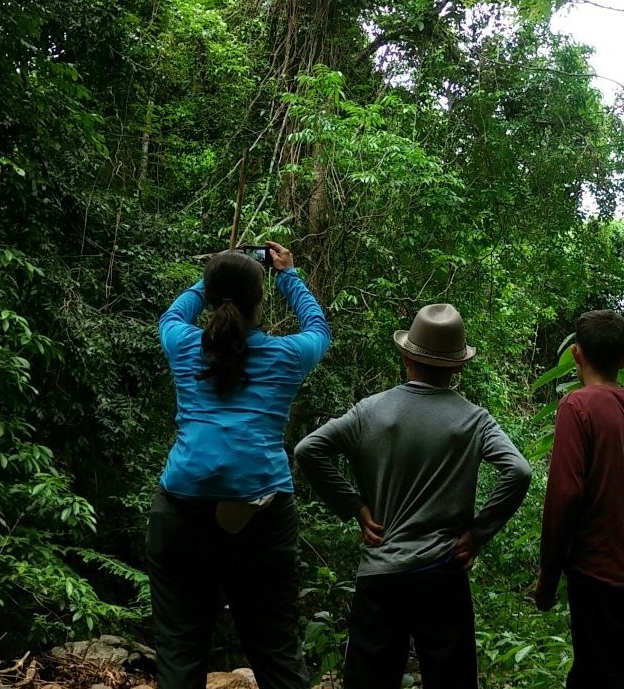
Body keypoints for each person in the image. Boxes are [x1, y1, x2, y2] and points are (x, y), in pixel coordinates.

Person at [294, 303, 531, 689]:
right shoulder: (474, 419)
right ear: (457, 367)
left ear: (407, 356)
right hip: (443, 573)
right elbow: (518, 471)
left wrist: (354, 506)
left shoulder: (370, 411)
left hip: (381, 572)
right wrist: (479, 533)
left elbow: (308, 450)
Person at [147, 241, 331, 689]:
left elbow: (170, 316)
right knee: (276, 652)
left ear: (210, 297)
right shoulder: (287, 355)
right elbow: (319, 328)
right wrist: (287, 273)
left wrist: (211, 276)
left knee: (179, 648)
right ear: (259, 299)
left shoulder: (183, 344)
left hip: (181, 508)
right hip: (261, 512)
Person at [534, 309, 624, 689]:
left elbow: (564, 496)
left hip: (593, 572)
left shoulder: (576, 407)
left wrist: (549, 576)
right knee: (607, 668)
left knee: (599, 675)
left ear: (576, 355)